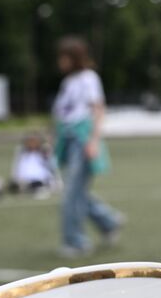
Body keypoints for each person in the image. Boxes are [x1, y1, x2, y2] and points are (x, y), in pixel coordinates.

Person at [52, 36, 122, 256]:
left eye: (63, 57)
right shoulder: (68, 82)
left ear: (73, 57)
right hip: (68, 139)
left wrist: (93, 141)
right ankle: (108, 222)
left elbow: (98, 110)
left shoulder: (88, 78)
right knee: (77, 191)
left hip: (82, 140)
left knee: (72, 193)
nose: (59, 61)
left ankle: (76, 242)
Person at [9, 131, 58, 197]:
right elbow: (17, 168)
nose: (32, 143)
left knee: (37, 184)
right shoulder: (22, 153)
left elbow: (52, 168)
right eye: (30, 141)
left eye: (34, 141)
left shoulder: (43, 152)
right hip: (25, 180)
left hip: (39, 180)